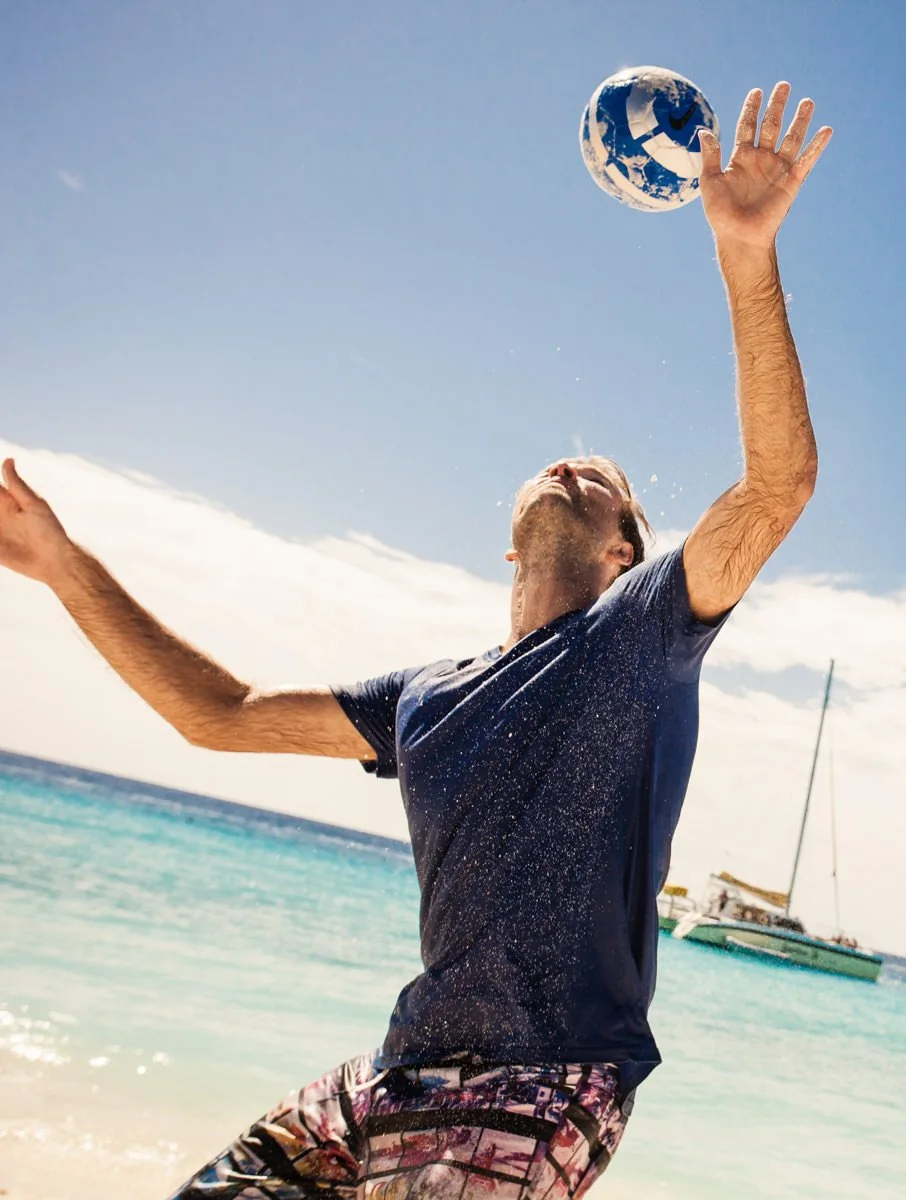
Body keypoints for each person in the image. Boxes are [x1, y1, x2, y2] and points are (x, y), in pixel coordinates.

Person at [0, 81, 830, 1199]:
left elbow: (777, 486)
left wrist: (745, 254)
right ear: (507, 543)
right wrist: (62, 565)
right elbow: (218, 716)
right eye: (568, 464)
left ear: (626, 551)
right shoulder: (425, 698)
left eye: (611, 484)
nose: (579, 462)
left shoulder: (638, 637)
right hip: (392, 1077)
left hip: (543, 1091)